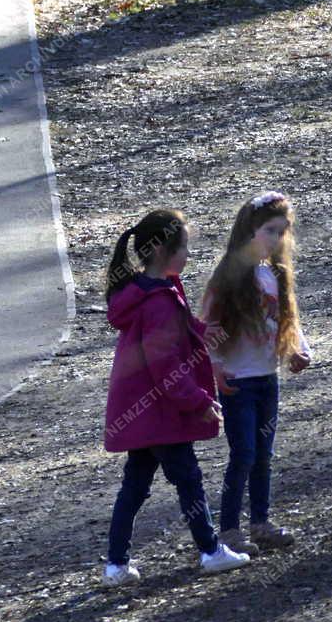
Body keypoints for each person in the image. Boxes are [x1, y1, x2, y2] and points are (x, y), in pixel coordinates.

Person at [101, 208, 250, 585]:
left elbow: (178, 331)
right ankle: (211, 550)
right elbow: (165, 366)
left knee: (135, 485)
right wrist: (199, 401)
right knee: (189, 481)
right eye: (184, 247)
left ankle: (116, 564)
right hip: (162, 415)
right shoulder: (159, 302)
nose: (188, 256)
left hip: (142, 415)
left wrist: (207, 330)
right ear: (163, 251)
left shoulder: (148, 293)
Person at [201, 190, 311, 555]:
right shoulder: (230, 276)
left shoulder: (274, 274)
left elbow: (287, 320)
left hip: (267, 376)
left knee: (264, 453)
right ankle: (229, 530)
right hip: (237, 379)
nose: (278, 239)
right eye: (270, 230)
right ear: (250, 230)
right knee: (243, 453)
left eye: (283, 231)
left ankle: (260, 522)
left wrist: (299, 349)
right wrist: (215, 367)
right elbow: (207, 327)